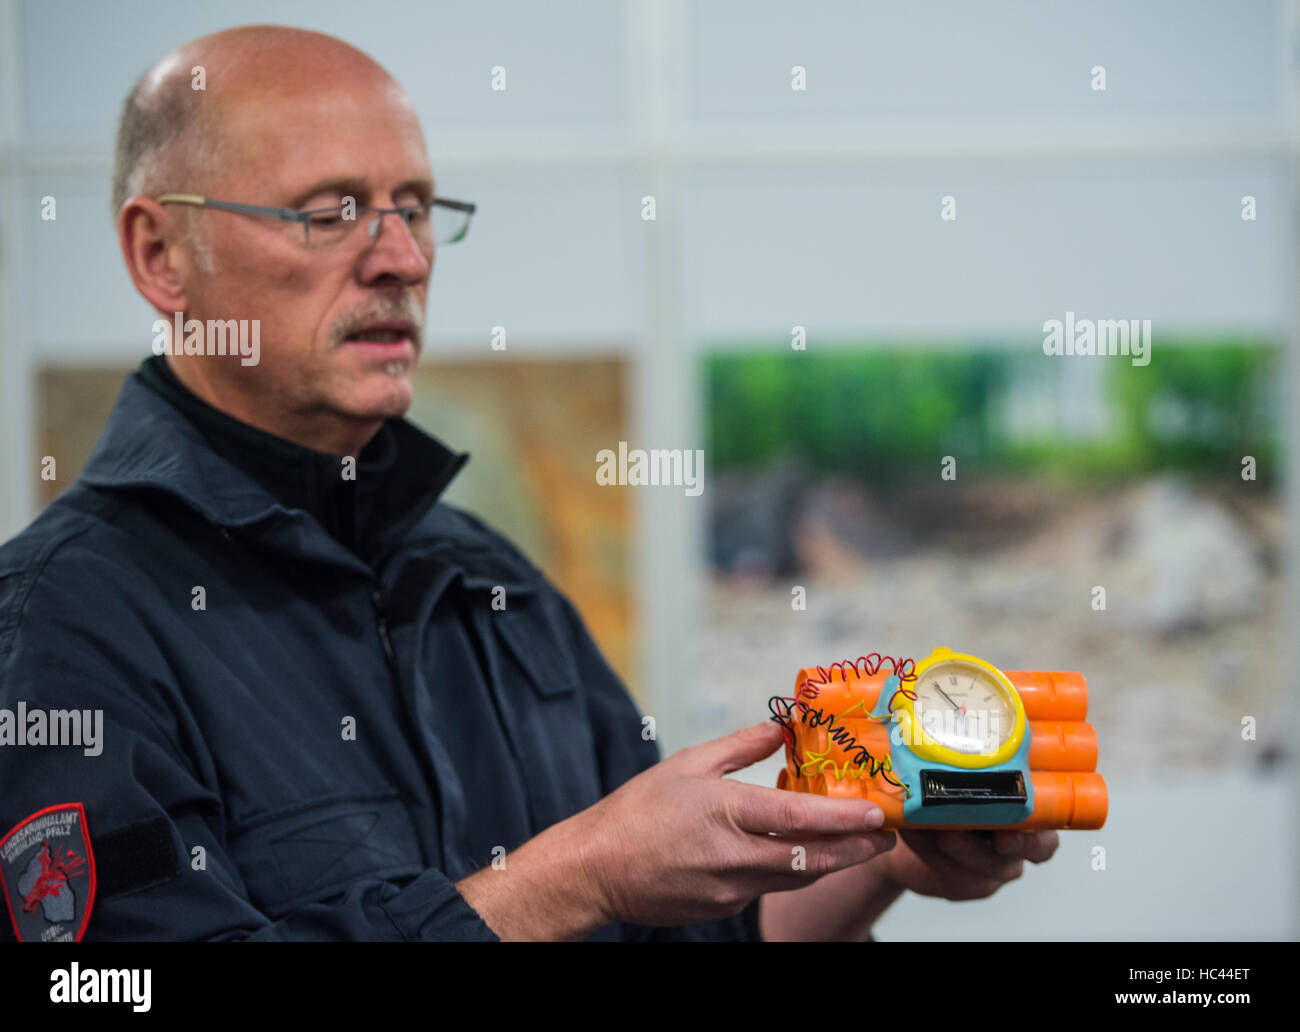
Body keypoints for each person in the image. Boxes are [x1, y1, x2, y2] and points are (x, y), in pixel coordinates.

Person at [0, 25, 1057, 942]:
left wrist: (875, 860)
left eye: (415, 207)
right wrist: (567, 880)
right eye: (331, 210)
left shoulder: (484, 579)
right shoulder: (56, 630)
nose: (402, 259)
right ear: (160, 255)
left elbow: (686, 943)